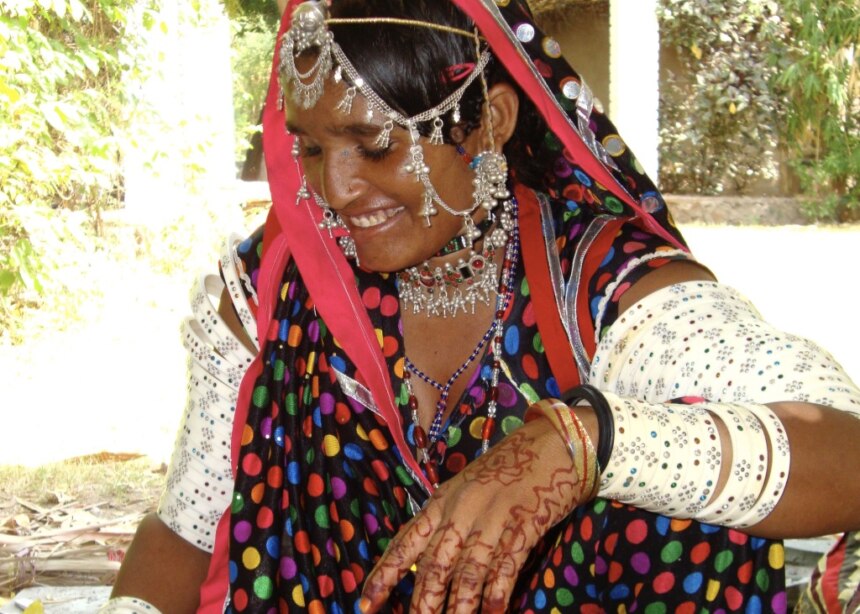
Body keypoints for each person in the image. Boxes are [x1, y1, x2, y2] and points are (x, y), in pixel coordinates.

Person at [104, 1, 860, 612]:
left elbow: (844, 455)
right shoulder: (274, 290)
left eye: (372, 146)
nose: (334, 191)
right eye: (307, 148)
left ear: (490, 121)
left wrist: (588, 443)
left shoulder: (596, 291)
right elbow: (187, 529)